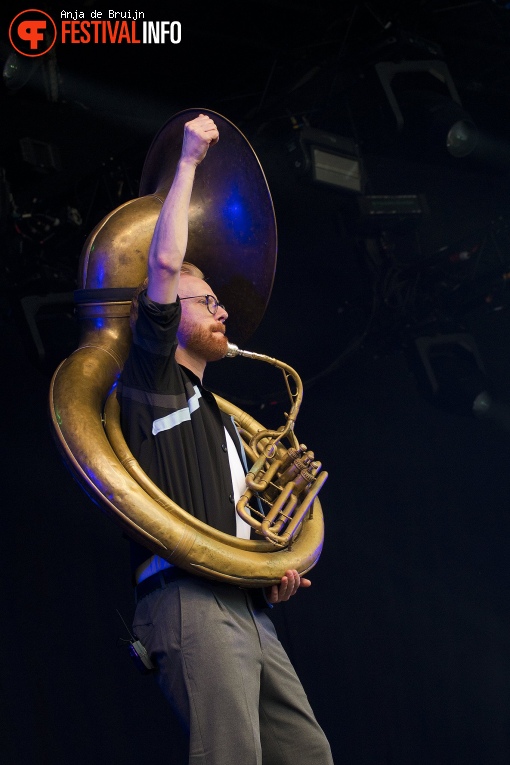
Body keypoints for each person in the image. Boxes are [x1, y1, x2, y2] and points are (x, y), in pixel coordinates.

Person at [118, 114, 334, 765]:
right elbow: (161, 259)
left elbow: (238, 526)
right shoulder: (150, 377)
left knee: (308, 753)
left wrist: (273, 570)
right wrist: (187, 158)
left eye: (218, 300)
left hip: (241, 603)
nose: (222, 310)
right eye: (203, 299)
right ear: (164, 312)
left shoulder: (223, 417)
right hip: (187, 595)